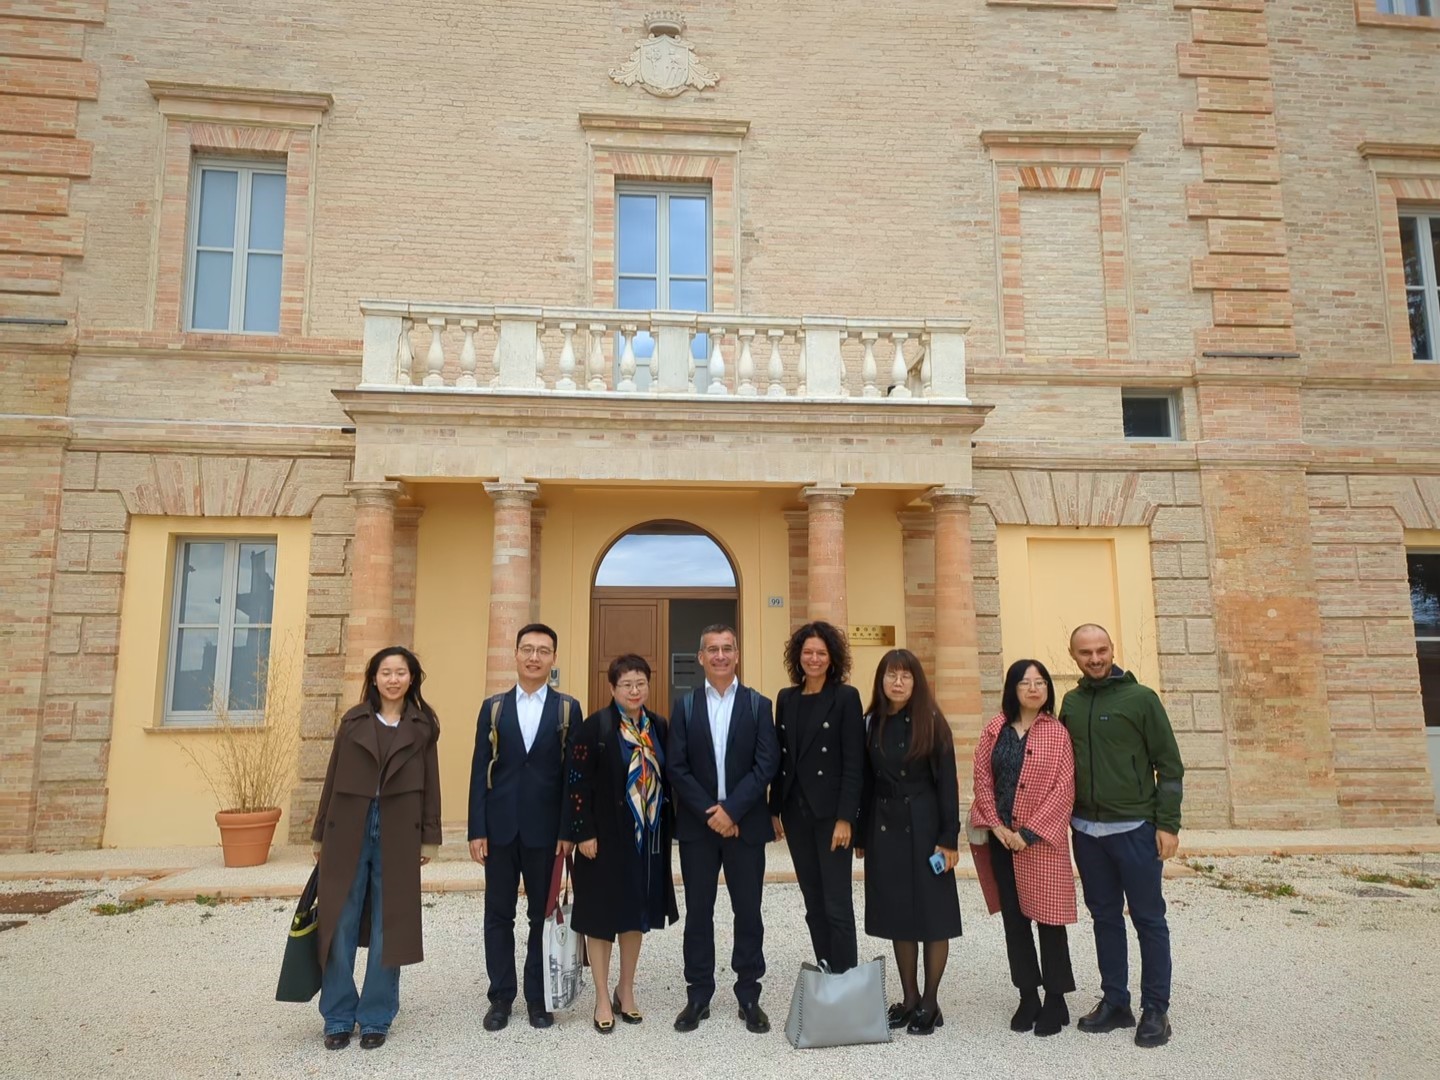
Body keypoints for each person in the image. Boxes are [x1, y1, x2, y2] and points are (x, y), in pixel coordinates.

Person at [1060, 624, 1185, 1048]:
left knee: (1149, 918)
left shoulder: (1142, 699)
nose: (1095, 658)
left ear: (1113, 650)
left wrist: (1168, 824)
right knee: (1105, 917)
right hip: (1087, 831)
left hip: (1135, 829)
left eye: (1101, 650)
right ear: (1073, 656)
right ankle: (1116, 1001)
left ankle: (1156, 1008)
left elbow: (1169, 765)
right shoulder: (1071, 704)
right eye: (1085, 652)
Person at [313, 645, 441, 1051]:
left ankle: (375, 1017)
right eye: (385, 672)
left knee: (391, 925)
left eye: (400, 672)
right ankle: (337, 1016)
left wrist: (430, 837)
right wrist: (319, 835)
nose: (392, 679)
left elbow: (432, 782)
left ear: (411, 678)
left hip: (399, 831)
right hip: (348, 827)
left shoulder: (423, 726)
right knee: (340, 922)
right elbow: (332, 779)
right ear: (373, 678)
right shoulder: (353, 722)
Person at [467, 623, 582, 1032]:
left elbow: (574, 777)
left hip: (547, 834)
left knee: (542, 917)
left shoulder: (568, 709)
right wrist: (476, 829)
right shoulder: (493, 708)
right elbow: (480, 769)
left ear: (553, 659)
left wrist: (569, 831)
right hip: (499, 831)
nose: (535, 657)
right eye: (528, 649)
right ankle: (500, 998)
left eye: (543, 650)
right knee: (498, 916)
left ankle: (539, 998)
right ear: (515, 655)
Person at [667, 624, 780, 1034]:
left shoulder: (757, 705)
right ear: (700, 657)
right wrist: (709, 812)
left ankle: (749, 994)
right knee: (699, 913)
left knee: (747, 912)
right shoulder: (684, 707)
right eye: (711, 649)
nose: (719, 656)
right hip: (699, 830)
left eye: (726, 649)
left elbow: (766, 764)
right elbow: (675, 766)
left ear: (737, 655)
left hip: (744, 828)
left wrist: (731, 811)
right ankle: (698, 994)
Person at [564, 654, 679, 1034]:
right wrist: (582, 832)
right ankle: (600, 995)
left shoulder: (658, 726)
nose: (634, 690)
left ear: (649, 686)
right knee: (600, 918)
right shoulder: (594, 728)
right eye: (626, 684)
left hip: (646, 840)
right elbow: (576, 784)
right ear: (612, 688)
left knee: (636, 914)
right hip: (603, 838)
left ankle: (625, 990)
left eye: (640, 683)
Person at [968, 659, 1077, 1037]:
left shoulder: (1057, 733)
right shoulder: (995, 729)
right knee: (1015, 921)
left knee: (1049, 920)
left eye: (1040, 682)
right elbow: (982, 776)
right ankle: (1027, 994)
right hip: (1001, 840)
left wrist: (1027, 834)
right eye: (1025, 683)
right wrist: (997, 826)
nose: (1034, 688)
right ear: (1012, 689)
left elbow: (1064, 789)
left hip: (1041, 843)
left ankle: (1056, 998)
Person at [856, 648, 962, 1036]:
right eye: (890, 675)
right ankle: (910, 997)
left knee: (934, 916)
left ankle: (931, 1002)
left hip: (926, 823)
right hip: (884, 826)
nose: (897, 683)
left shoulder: (932, 721)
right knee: (898, 913)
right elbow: (866, 782)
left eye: (905, 676)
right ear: (880, 681)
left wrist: (949, 838)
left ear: (916, 681)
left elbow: (947, 783)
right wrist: (862, 831)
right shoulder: (870, 722)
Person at [768, 620, 864, 974]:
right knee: (812, 901)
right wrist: (774, 809)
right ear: (798, 656)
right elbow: (782, 759)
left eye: (821, 653)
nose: (814, 658)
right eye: (807, 652)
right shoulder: (787, 698)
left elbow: (854, 763)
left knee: (837, 901)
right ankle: (826, 968)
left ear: (832, 657)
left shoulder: (845, 698)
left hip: (831, 816)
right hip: (796, 813)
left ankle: (846, 977)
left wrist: (846, 818)